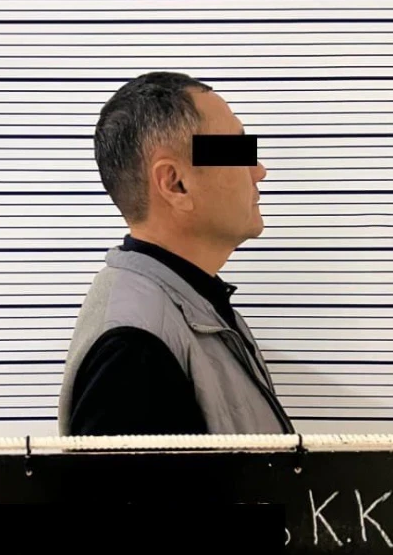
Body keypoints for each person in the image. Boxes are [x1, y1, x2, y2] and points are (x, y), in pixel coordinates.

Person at [57, 71, 295, 436]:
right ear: (175, 183)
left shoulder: (190, 304)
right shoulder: (133, 353)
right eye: (237, 151)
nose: (259, 171)